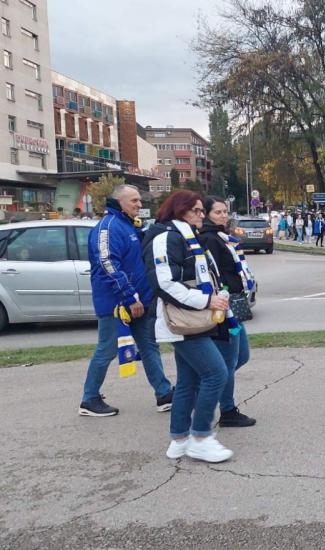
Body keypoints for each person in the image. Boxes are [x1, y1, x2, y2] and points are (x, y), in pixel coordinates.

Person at [142, 190, 234, 463]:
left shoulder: (183, 236)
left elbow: (197, 275)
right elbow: (164, 283)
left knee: (188, 381)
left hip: (191, 318)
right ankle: (201, 437)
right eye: (196, 210)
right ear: (180, 211)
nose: (201, 215)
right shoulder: (166, 237)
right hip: (182, 320)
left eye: (201, 210)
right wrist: (207, 300)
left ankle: (180, 439)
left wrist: (215, 296)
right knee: (216, 374)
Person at [79, 185, 173, 417]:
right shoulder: (108, 228)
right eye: (134, 201)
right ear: (118, 201)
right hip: (117, 303)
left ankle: (164, 393)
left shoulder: (127, 225)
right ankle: (89, 399)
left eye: (139, 201)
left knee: (149, 345)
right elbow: (108, 264)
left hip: (138, 301)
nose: (139, 205)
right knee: (107, 349)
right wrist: (130, 296)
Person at [198, 196, 256, 428]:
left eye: (225, 212)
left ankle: (213, 385)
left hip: (234, 300)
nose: (224, 216)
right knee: (229, 359)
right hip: (225, 302)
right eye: (218, 212)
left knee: (241, 356)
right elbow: (212, 273)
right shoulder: (210, 239)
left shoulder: (222, 237)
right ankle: (228, 409)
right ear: (208, 214)